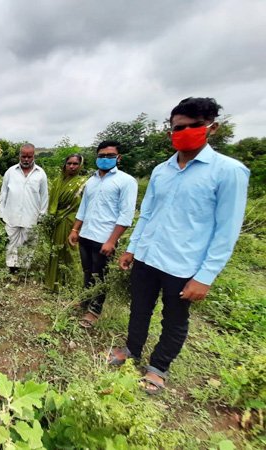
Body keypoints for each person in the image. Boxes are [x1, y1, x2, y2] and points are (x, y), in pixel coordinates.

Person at [110, 97, 249, 395]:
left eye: (193, 126)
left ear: (212, 128)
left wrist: (205, 276)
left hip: (184, 263)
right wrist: (132, 248)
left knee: (174, 318)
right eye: (177, 127)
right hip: (148, 256)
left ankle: (158, 367)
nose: (184, 131)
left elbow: (227, 231)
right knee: (139, 308)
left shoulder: (228, 172)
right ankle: (132, 349)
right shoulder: (162, 170)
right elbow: (146, 214)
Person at [68, 141, 137, 328]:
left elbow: (126, 215)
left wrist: (112, 241)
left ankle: (94, 311)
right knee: (88, 272)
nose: (105, 159)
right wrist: (75, 230)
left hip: (104, 239)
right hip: (86, 235)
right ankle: (84, 300)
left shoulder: (126, 181)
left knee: (101, 276)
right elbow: (83, 208)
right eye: (101, 156)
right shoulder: (92, 181)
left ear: (118, 158)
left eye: (109, 156)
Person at [0, 143, 49, 272]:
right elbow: (4, 193)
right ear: (19, 156)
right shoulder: (10, 172)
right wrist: (2, 213)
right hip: (12, 214)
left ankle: (24, 268)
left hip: (31, 215)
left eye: (29, 157)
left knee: (29, 241)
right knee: (12, 242)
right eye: (23, 156)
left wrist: (42, 215)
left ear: (34, 156)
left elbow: (44, 196)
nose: (26, 159)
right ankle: (12, 269)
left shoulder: (40, 173)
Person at [44, 154, 87, 291]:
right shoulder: (58, 181)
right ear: (65, 164)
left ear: (80, 166)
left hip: (71, 221)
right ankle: (53, 283)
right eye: (69, 163)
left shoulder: (83, 183)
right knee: (55, 250)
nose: (72, 166)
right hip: (57, 220)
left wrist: (76, 228)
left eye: (75, 164)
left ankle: (69, 286)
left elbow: (84, 206)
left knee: (69, 252)